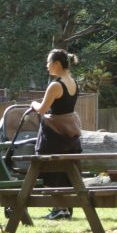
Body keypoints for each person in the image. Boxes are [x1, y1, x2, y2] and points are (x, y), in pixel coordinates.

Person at [31, 48, 81, 220]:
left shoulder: (55, 85)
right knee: (65, 171)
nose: (47, 66)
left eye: (48, 63)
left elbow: (42, 109)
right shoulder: (74, 83)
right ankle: (64, 208)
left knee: (49, 168)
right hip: (70, 131)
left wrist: (33, 103)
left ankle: (58, 207)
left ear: (57, 64)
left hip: (54, 133)